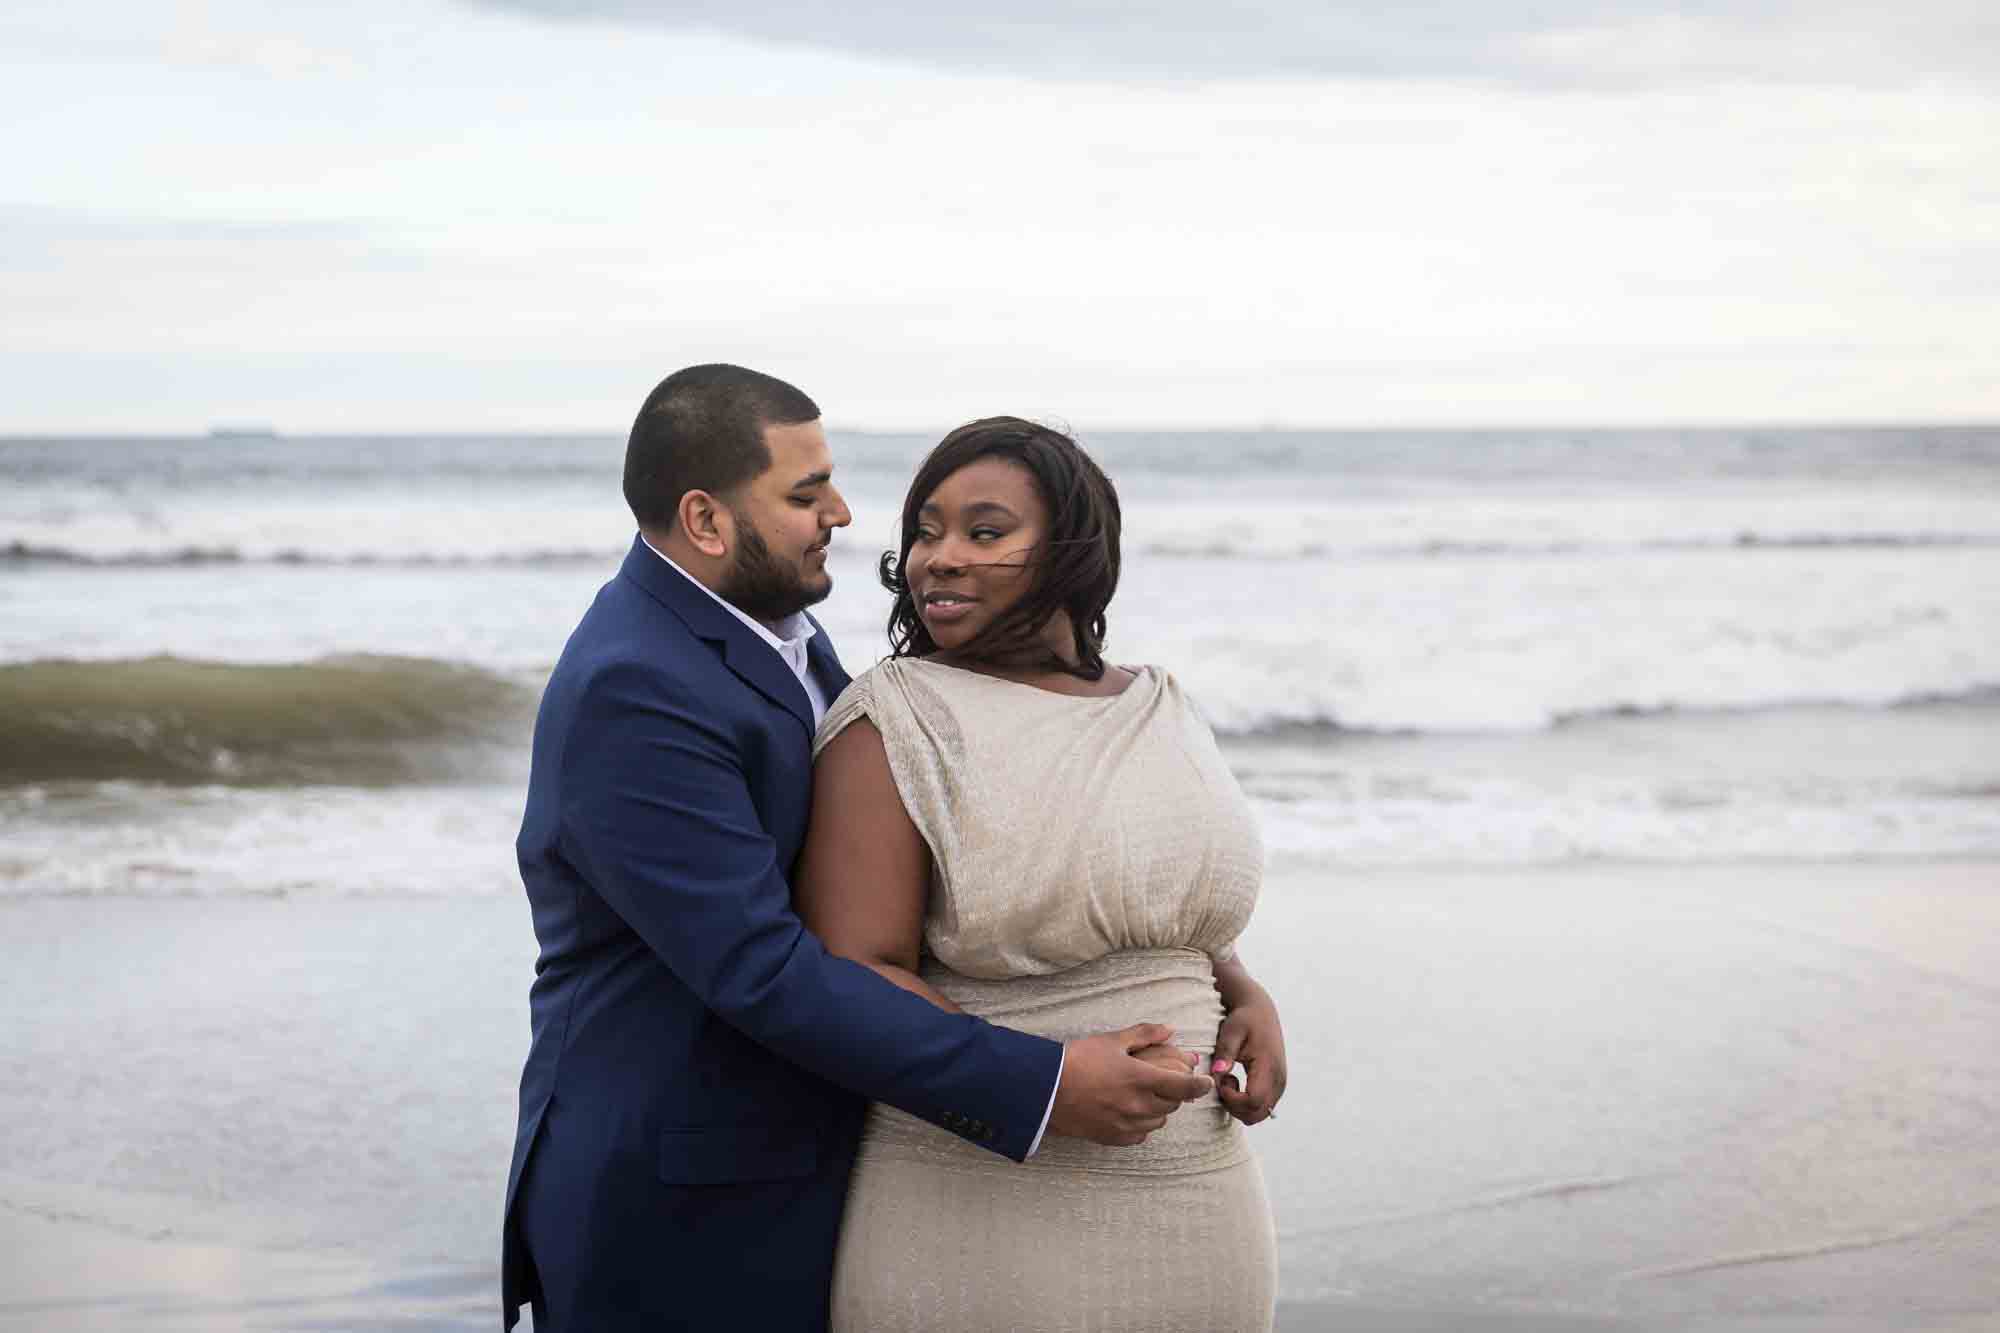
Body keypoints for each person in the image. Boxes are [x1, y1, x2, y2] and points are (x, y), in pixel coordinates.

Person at [501, 368, 1215, 1331]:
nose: (842, 512)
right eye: (804, 494)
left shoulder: (780, 637)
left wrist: (1219, 977)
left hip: (802, 1164)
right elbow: (761, 968)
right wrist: (1042, 1084)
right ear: (707, 521)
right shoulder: (634, 685)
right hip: (679, 1201)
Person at [797, 417, 1287, 1332]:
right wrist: (1046, 1082)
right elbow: (852, 974)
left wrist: (1244, 993)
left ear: (1072, 552)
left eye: (984, 532)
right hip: (981, 1204)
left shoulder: (1161, 703)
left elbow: (1172, 906)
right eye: (926, 530)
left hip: (1202, 1203)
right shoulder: (895, 720)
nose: (937, 558)